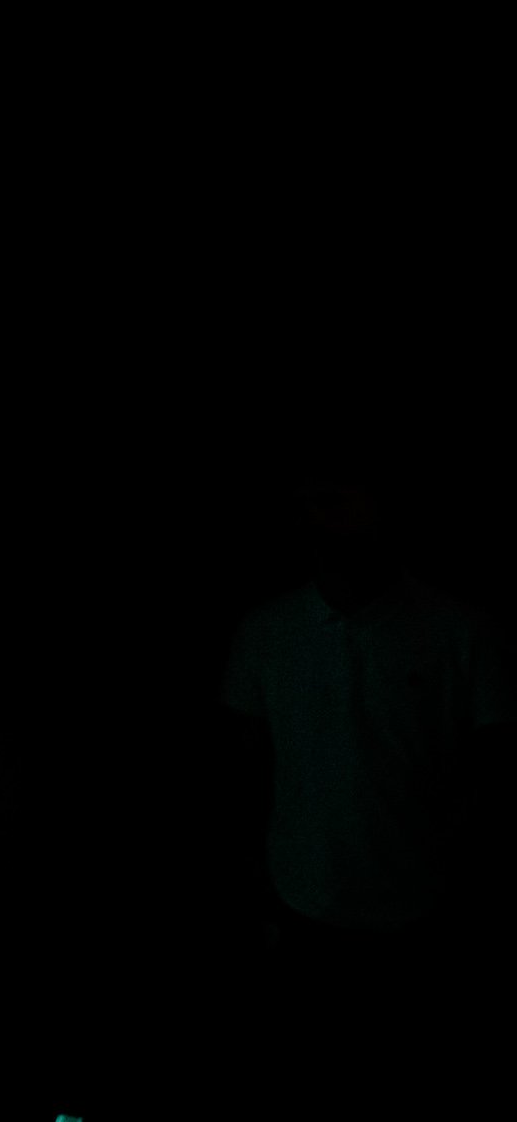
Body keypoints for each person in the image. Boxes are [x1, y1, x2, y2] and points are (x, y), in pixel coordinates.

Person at [221, 435, 516, 1112]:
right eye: (304, 505)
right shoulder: (266, 631)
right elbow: (242, 767)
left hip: (416, 914)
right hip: (309, 909)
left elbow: (495, 772)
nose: (314, 520)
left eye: (331, 501)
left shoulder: (461, 632)